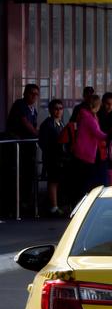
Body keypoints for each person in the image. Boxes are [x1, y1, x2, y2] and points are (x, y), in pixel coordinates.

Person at [7, 83, 40, 213]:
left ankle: (26, 202)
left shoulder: (33, 109)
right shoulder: (20, 105)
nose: (34, 96)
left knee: (29, 174)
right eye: (31, 93)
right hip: (16, 146)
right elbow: (25, 123)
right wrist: (38, 133)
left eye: (36, 94)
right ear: (25, 93)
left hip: (28, 147)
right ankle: (14, 204)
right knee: (17, 175)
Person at [71, 95, 107, 204]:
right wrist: (111, 136)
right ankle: (82, 203)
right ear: (97, 105)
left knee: (82, 180)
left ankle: (79, 203)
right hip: (85, 153)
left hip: (82, 152)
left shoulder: (85, 116)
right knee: (86, 181)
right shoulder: (89, 118)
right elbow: (97, 133)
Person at [38, 99, 65, 216]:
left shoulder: (61, 123)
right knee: (53, 181)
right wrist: (51, 152)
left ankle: (57, 204)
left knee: (58, 180)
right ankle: (53, 207)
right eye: (56, 108)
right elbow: (43, 142)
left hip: (60, 157)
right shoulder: (47, 124)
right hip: (52, 157)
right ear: (50, 110)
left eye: (60, 108)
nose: (58, 111)